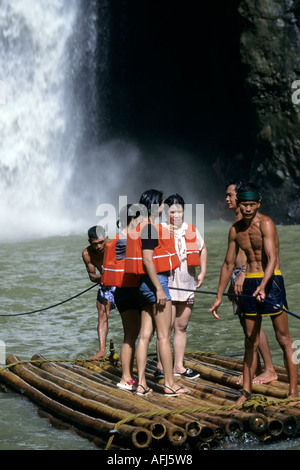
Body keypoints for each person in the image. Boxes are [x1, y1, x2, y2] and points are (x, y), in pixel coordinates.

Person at [210, 184, 299, 404]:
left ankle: (294, 392)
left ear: (258, 203)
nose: (248, 209)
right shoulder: (235, 230)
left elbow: (272, 257)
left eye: (252, 204)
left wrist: (263, 286)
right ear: (239, 204)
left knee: (283, 338)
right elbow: (228, 263)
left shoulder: (266, 224)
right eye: (245, 205)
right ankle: (246, 392)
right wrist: (219, 296)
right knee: (250, 340)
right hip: (249, 285)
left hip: (272, 282)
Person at [125, 189, 189, 396]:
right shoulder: (150, 228)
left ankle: (141, 384)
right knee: (163, 336)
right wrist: (160, 289)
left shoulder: (139, 226)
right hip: (155, 283)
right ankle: (170, 384)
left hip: (142, 285)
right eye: (162, 204)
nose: (164, 208)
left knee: (144, 336)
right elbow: (147, 260)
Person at [225, 179, 278, 385]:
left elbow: (256, 255)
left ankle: (269, 369)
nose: (228, 199)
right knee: (246, 325)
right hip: (239, 274)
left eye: (231, 195)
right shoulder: (237, 221)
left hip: (247, 275)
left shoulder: (250, 220)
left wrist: (242, 274)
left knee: (253, 326)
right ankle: (255, 368)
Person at [155, 193, 207, 379]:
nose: (176, 215)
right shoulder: (159, 229)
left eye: (179, 211)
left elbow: (202, 249)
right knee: (164, 329)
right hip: (166, 284)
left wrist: (202, 272)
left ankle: (179, 366)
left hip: (187, 284)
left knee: (181, 326)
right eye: (172, 211)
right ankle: (161, 366)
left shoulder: (191, 229)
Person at [102, 204, 141, 390]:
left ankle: (129, 376)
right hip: (130, 291)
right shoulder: (127, 240)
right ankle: (126, 377)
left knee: (132, 335)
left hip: (124, 291)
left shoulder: (121, 239)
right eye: (140, 220)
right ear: (133, 220)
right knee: (132, 335)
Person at [82, 226, 116, 359]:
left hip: (122, 281)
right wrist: (104, 278)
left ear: (106, 238)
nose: (99, 246)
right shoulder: (87, 253)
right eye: (95, 244)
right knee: (102, 312)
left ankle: (133, 349)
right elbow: (92, 276)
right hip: (105, 282)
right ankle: (102, 350)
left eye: (101, 242)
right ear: (90, 242)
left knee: (132, 313)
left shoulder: (114, 247)